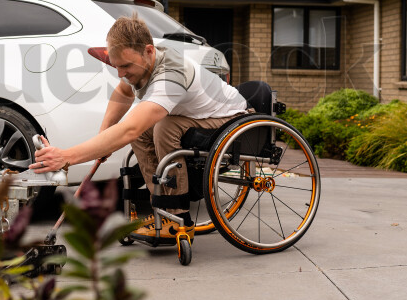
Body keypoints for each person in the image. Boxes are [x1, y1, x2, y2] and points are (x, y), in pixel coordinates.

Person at [29, 14, 247, 244]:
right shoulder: (141, 62)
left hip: (227, 117)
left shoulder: (171, 76)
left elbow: (129, 129)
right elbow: (123, 93)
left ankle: (178, 217)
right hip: (195, 115)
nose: (120, 74)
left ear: (149, 51)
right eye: (116, 66)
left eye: (125, 66)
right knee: (146, 132)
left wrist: (66, 157)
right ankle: (164, 212)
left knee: (163, 127)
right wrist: (104, 136)